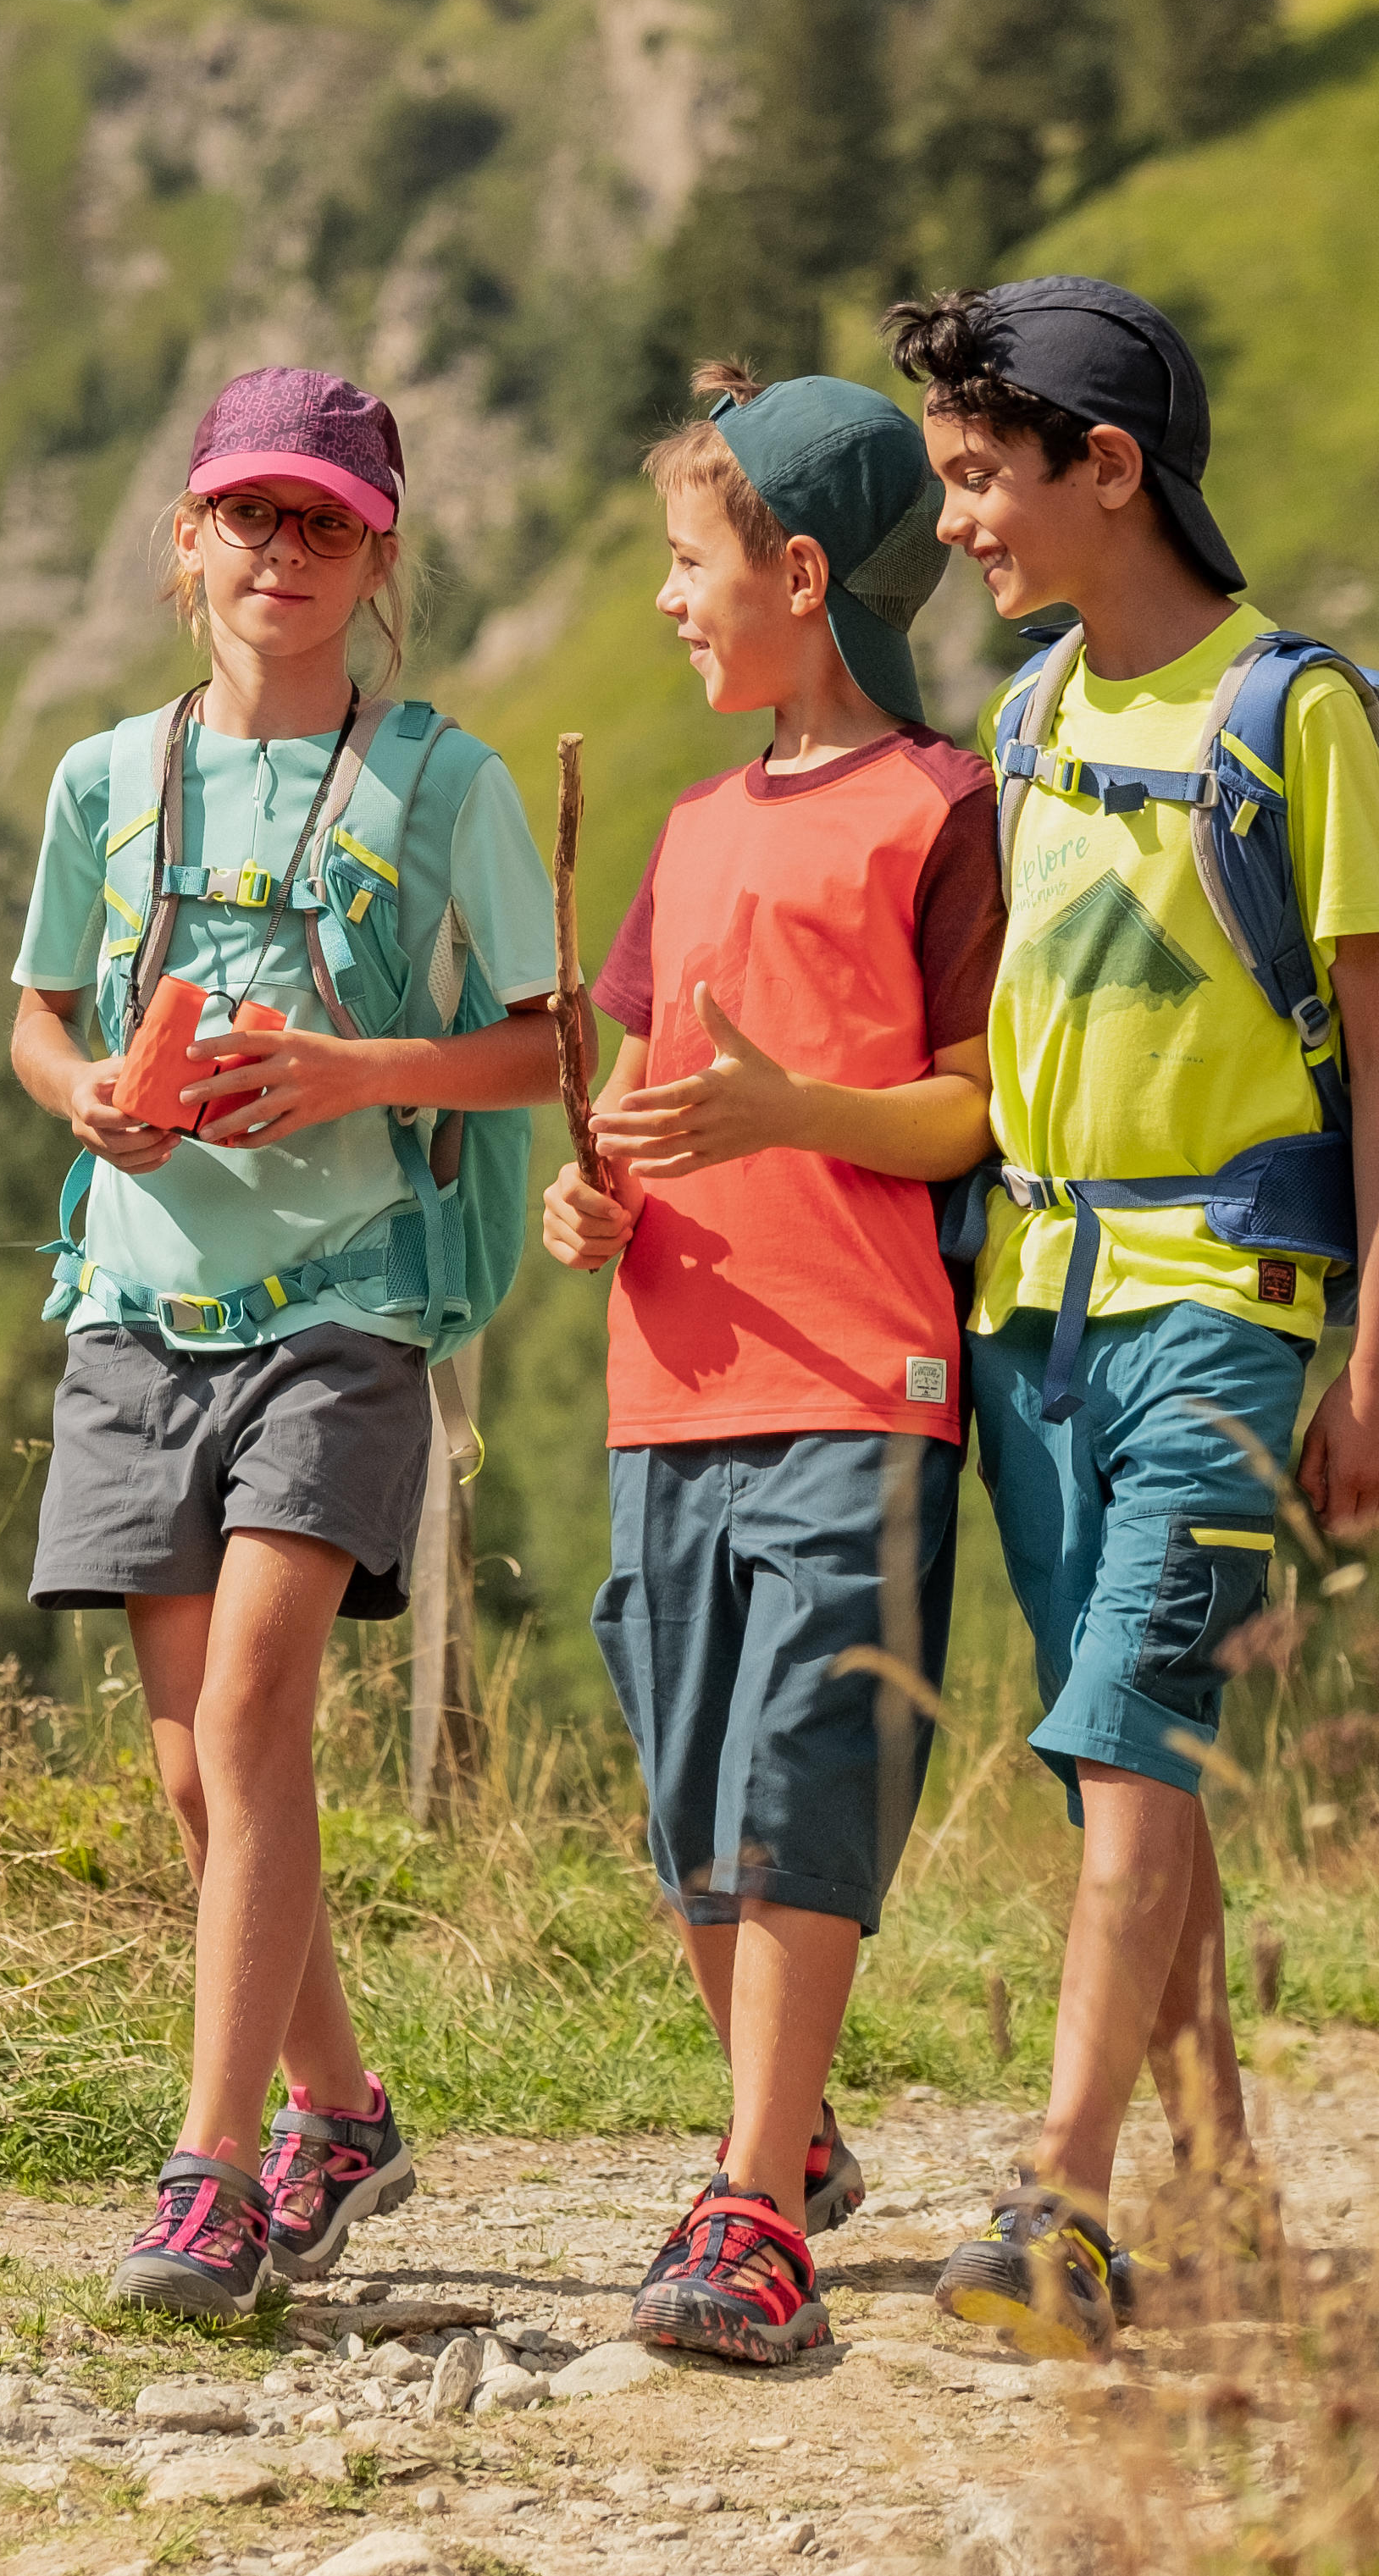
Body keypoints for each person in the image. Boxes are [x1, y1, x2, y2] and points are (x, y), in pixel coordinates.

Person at [889, 277, 1379, 2362]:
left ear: (1103, 470)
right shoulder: (1031, 725)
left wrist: (1376, 1366)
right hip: (1039, 1308)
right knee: (1135, 1768)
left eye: (977, 482)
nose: (956, 527)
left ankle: (1064, 2196)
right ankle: (1217, 2170)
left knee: (1125, 1732)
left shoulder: (1293, 715)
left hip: (1224, 1309)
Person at [8, 368, 569, 2319]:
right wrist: (88, 1095)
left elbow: (542, 1043)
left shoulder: (445, 782)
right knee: (192, 1776)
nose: (280, 549)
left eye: (322, 520)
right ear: (186, 540)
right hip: (136, 1309)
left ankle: (211, 2172)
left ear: (377, 555)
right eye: (249, 513)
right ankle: (342, 2106)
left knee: (253, 1724)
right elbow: (39, 1016)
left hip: (349, 1308)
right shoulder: (107, 781)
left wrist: (355, 1076)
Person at [542, 365, 1000, 2365]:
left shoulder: (948, 809)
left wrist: (790, 1106)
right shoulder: (694, 821)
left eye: (688, 561)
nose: (667, 600)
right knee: (687, 1805)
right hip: (673, 1391)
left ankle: (746, 2206)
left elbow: (977, 1112)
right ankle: (789, 2140)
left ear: (802, 576)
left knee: (802, 1778)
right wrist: (596, 1204)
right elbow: (647, 1105)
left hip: (859, 1375)